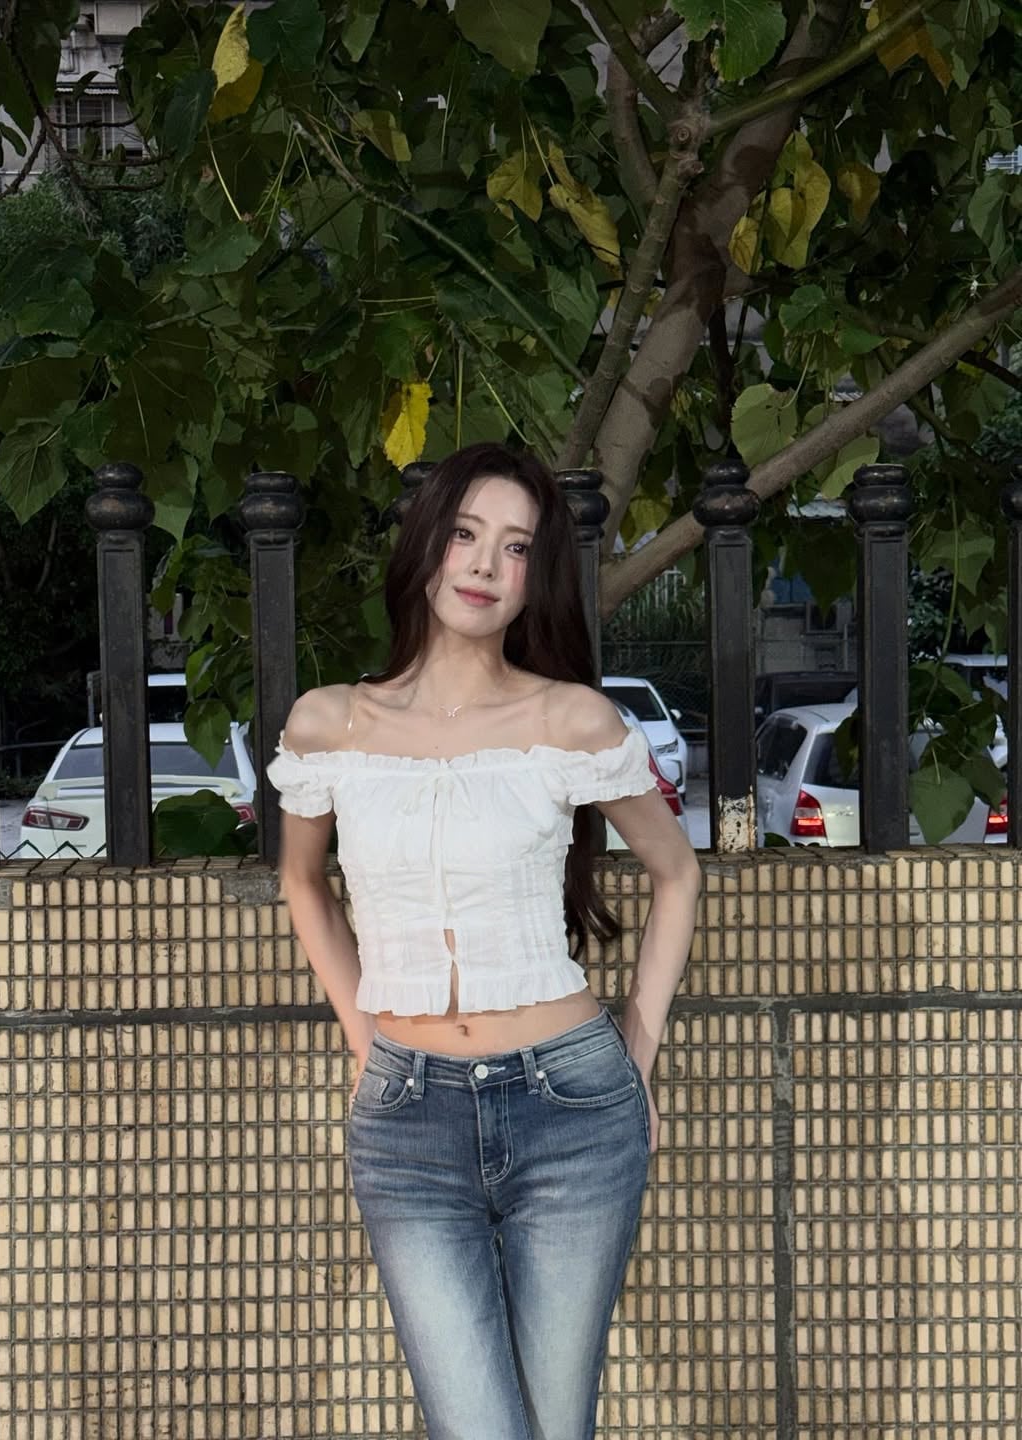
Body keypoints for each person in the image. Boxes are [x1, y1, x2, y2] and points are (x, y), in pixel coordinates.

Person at [267, 443, 701, 1440]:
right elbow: (301, 881)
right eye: (465, 534)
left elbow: (677, 872)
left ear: (534, 577)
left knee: (555, 1425)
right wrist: (366, 1042)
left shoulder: (569, 719)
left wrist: (635, 1057)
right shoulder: (332, 725)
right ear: (425, 545)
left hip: (572, 1108)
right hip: (408, 1124)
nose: (483, 565)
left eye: (515, 547)